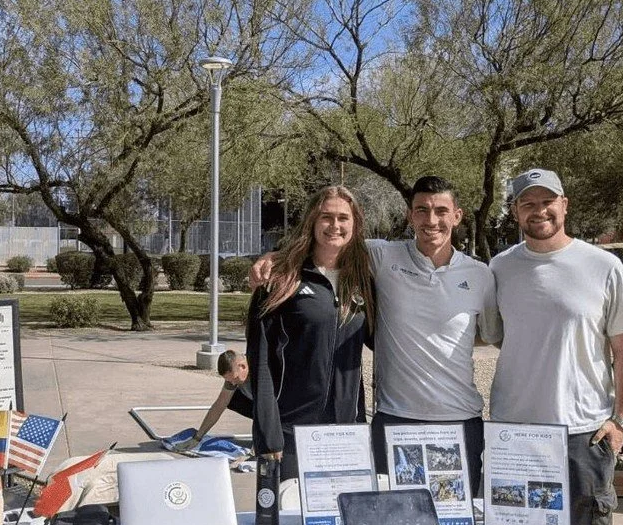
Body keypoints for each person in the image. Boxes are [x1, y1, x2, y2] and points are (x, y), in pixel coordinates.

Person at [250, 175, 501, 496]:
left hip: (460, 421)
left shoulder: (481, 275)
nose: (431, 220)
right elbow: (328, 246)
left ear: (457, 216)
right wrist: (275, 258)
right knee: (394, 519)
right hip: (394, 420)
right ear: (409, 216)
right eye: (422, 210)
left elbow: (488, 334)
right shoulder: (382, 257)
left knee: (457, 518)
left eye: (441, 211)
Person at [490, 167, 623, 525]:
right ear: (515, 211)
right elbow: (498, 336)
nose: (539, 210)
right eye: (528, 203)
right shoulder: (499, 268)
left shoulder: (603, 266)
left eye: (548, 201)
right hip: (516, 434)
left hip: (584, 435)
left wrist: (621, 421)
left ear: (565, 205)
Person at [247, 185, 374, 480]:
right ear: (312, 222)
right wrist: (268, 435)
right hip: (290, 433)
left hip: (346, 431)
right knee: (287, 509)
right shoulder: (280, 278)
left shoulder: (363, 280)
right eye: (326, 217)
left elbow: (376, 339)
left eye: (343, 218)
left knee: (342, 508)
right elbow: (260, 361)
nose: (335, 225)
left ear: (355, 224)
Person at [179, 350, 252, 449]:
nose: (233, 383)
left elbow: (266, 409)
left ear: (242, 366)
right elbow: (219, 405)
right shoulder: (233, 377)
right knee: (231, 398)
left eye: (235, 378)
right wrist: (197, 437)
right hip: (260, 406)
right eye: (229, 380)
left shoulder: (260, 370)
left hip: (272, 406)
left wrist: (259, 447)